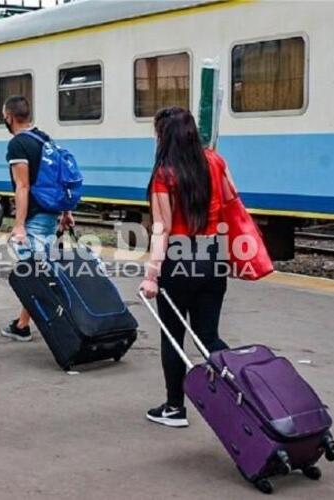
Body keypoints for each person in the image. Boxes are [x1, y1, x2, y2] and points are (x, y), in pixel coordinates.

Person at [139, 107, 230, 428]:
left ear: (164, 136)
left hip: (178, 261)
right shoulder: (215, 161)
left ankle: (175, 408)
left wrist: (151, 276)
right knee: (208, 336)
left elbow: (160, 230)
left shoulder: (164, 174)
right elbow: (232, 200)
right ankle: (243, 389)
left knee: (174, 336)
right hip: (214, 256)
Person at [0, 95, 74, 342]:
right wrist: (65, 212)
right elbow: (59, 179)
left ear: (9, 117)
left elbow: (22, 186)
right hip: (50, 215)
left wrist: (19, 225)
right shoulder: (45, 139)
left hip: (34, 218)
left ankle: (64, 322)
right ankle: (22, 324)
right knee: (36, 272)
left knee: (34, 275)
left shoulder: (18, 144)